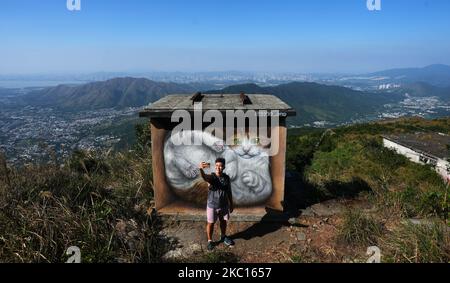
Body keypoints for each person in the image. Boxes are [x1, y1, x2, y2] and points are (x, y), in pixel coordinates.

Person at [198, 158, 235, 251]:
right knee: (210, 223)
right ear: (215, 167)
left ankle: (223, 237)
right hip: (212, 205)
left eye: (221, 166)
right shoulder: (212, 177)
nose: (218, 168)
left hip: (224, 205)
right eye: (217, 166)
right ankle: (210, 241)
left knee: (223, 221)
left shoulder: (226, 178)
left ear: (224, 167)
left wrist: (231, 203)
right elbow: (205, 177)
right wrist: (201, 169)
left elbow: (229, 191)